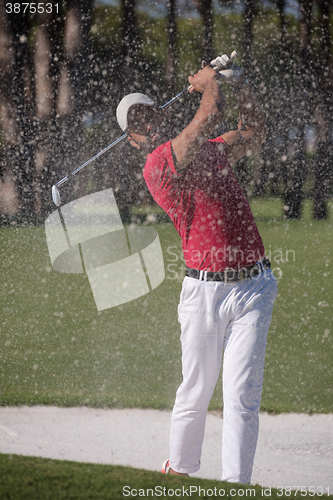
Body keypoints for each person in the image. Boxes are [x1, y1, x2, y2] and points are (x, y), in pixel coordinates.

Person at [116, 58, 278, 485]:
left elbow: (254, 133)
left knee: (242, 398)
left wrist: (236, 84)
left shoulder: (210, 149)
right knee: (195, 392)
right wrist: (210, 83)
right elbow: (208, 114)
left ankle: (236, 487)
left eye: (148, 113)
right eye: (137, 123)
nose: (147, 124)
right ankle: (181, 470)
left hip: (254, 287)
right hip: (204, 293)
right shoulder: (158, 165)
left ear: (161, 113)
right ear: (132, 142)